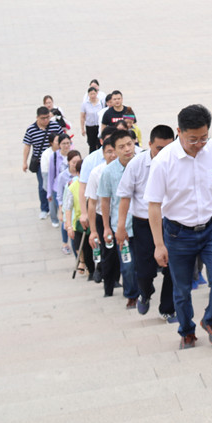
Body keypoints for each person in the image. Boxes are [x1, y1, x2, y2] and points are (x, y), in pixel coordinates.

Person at [145, 104, 212, 350]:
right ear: (179, 132)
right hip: (178, 233)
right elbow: (154, 205)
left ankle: (211, 319)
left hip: (211, 229)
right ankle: (186, 331)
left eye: (203, 137)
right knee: (182, 290)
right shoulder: (164, 161)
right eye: (193, 139)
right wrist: (159, 244)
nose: (199, 144)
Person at [117, 124, 176, 319]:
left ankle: (167, 308)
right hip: (144, 224)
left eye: (168, 148)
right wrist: (121, 227)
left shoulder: (177, 162)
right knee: (144, 271)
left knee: (173, 268)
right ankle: (145, 293)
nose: (163, 153)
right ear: (149, 144)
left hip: (171, 222)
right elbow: (125, 197)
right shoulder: (136, 164)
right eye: (159, 148)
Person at [99, 129, 140, 309]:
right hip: (122, 227)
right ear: (114, 150)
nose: (127, 149)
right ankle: (131, 295)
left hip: (143, 224)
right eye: (121, 147)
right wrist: (107, 227)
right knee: (128, 265)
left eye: (129, 144)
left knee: (143, 264)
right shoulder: (108, 172)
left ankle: (144, 291)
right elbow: (105, 201)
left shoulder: (143, 165)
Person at [86, 137, 118, 292]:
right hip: (102, 217)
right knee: (108, 252)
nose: (113, 155)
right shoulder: (96, 173)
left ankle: (119, 279)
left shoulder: (126, 169)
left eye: (114, 151)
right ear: (103, 154)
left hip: (121, 216)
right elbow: (92, 203)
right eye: (109, 152)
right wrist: (93, 231)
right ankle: (109, 285)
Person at [22, 106, 63, 219]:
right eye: (43, 118)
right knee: (43, 186)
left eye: (47, 118)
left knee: (58, 184)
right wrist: (24, 162)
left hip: (57, 161)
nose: (46, 120)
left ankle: (57, 206)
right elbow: (27, 146)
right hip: (41, 163)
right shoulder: (31, 129)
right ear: (37, 117)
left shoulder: (55, 126)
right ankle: (44, 209)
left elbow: (64, 139)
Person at [80, 86, 105, 153]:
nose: (93, 96)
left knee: (99, 142)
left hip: (99, 126)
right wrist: (82, 129)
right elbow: (82, 116)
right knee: (92, 144)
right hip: (90, 126)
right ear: (88, 94)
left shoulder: (101, 103)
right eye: (91, 94)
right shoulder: (85, 104)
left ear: (97, 93)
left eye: (94, 94)